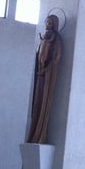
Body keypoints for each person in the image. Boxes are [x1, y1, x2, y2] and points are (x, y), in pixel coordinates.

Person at [26, 14, 62, 143]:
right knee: (36, 103)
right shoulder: (43, 38)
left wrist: (47, 68)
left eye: (50, 24)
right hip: (40, 74)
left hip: (47, 75)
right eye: (46, 23)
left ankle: (40, 134)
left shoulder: (56, 39)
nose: (47, 26)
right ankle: (34, 132)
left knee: (43, 102)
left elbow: (56, 57)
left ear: (55, 25)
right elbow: (38, 54)